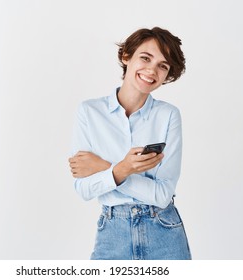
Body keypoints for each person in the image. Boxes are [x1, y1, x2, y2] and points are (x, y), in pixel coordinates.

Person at [68, 27, 191, 260]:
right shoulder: (89, 112)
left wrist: (108, 168)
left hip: (164, 230)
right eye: (145, 58)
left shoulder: (168, 116)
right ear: (126, 56)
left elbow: (163, 194)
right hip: (113, 232)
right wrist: (123, 168)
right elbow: (83, 189)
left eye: (162, 66)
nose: (152, 70)